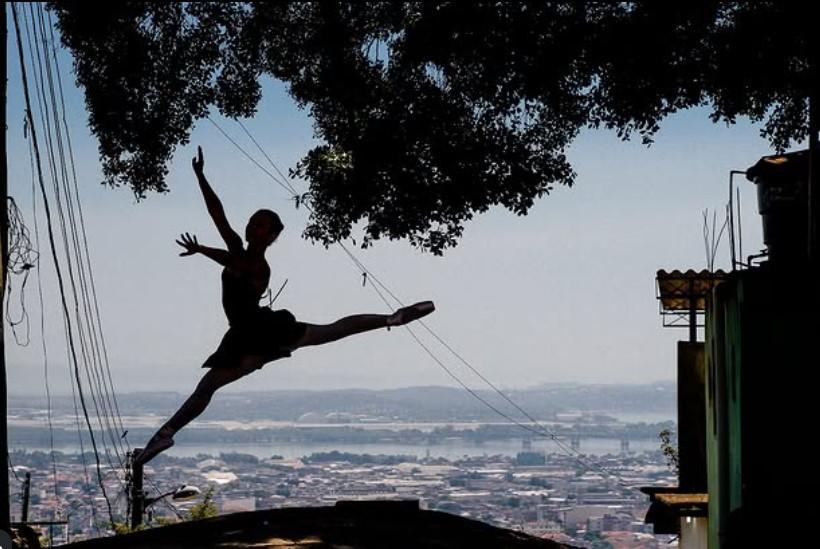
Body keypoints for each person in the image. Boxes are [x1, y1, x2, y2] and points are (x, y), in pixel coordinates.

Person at [134, 147, 435, 465]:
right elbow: (218, 215)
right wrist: (200, 177)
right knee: (323, 334)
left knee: (211, 384)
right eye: (253, 221)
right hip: (248, 333)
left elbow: (229, 253)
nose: (253, 226)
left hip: (258, 331)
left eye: (262, 225)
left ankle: (392, 318)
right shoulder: (239, 249)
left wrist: (202, 247)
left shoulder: (257, 266)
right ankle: (392, 318)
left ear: (273, 236)